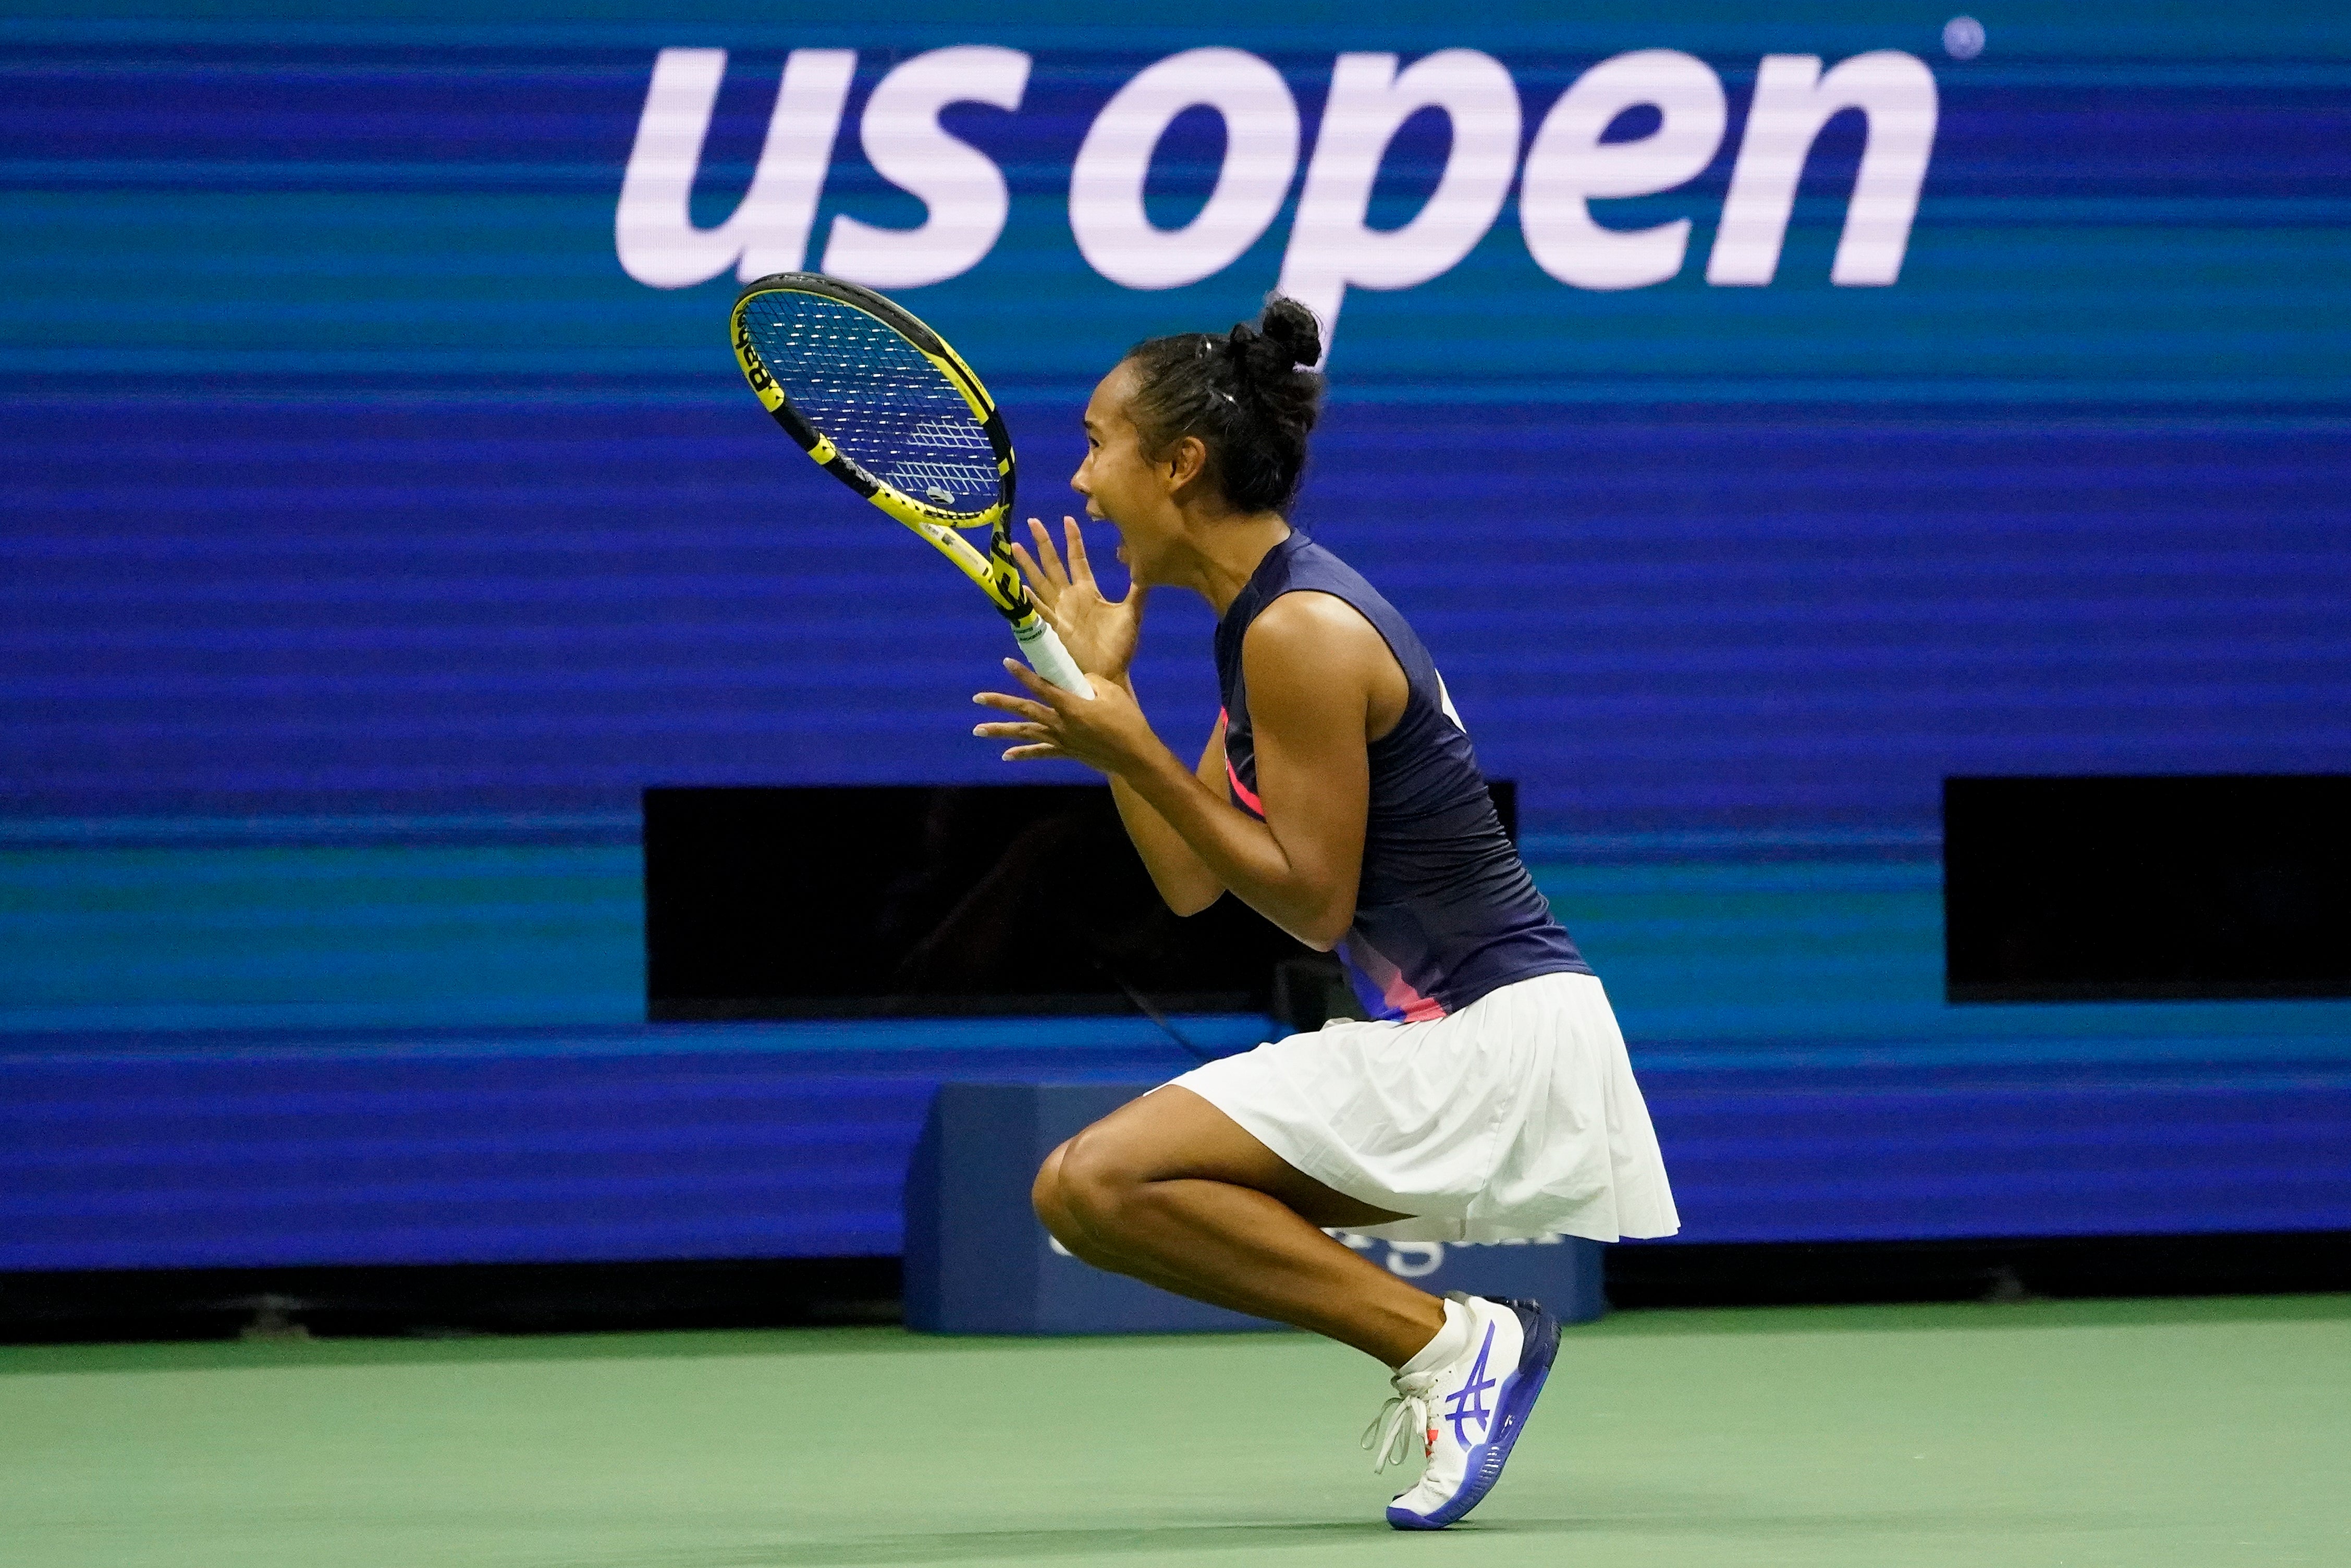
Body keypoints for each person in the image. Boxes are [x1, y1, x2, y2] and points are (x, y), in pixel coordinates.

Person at [971, 297, 1678, 1530]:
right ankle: (1448, 1345)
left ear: (1179, 462)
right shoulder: (1261, 626)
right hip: (1462, 1036)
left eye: (1096, 445)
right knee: (1093, 1191)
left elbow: (1307, 902)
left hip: (1493, 1033)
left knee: (1092, 1181)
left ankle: (1448, 1345)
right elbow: (1198, 879)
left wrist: (1126, 738)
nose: (1079, 482)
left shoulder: (1299, 629)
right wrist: (1112, 707)